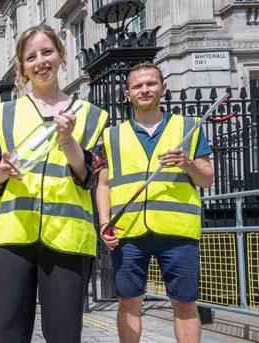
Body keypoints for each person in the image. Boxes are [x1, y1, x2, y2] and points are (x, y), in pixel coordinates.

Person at [0, 25, 108, 342]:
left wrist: (68, 141)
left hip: (68, 237)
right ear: (22, 66)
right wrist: (2, 171)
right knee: (4, 333)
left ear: (61, 55)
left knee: (64, 334)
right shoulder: (3, 113)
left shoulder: (92, 116)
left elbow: (90, 176)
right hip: (14, 235)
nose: (40, 61)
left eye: (47, 52)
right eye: (31, 56)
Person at [96, 62, 213, 343]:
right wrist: (104, 222)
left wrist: (187, 164)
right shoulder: (111, 135)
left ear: (163, 87)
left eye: (151, 83)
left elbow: (206, 179)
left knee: (185, 304)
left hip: (178, 231)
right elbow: (103, 184)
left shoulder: (188, 127)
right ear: (127, 94)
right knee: (128, 302)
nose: (144, 89)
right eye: (137, 86)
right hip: (128, 231)